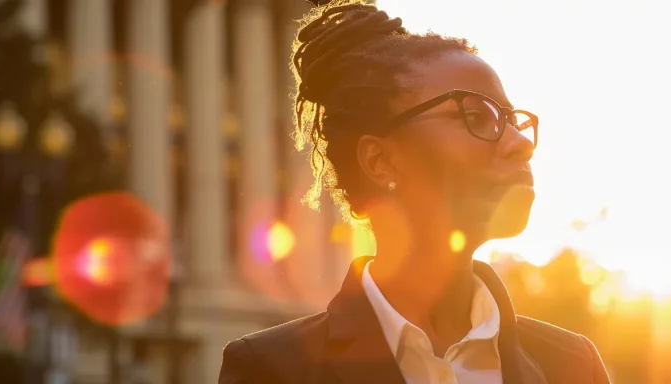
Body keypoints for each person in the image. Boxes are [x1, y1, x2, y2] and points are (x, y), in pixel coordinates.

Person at [217, 1, 609, 383]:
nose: (519, 142)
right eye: (475, 116)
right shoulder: (272, 370)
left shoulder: (571, 364)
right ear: (381, 160)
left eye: (511, 120)